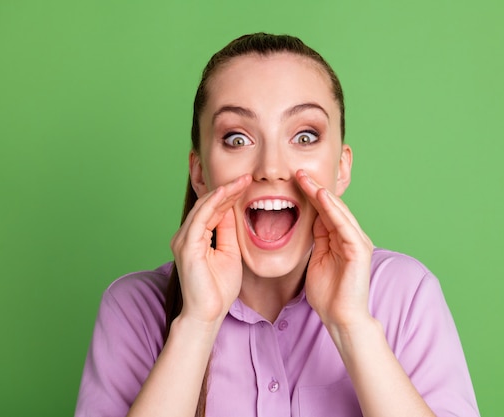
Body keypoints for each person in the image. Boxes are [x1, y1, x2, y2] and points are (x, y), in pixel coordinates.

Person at [75, 33, 480, 417]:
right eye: (237, 138)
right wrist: (197, 323)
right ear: (199, 174)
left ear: (341, 168)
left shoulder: (404, 294)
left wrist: (351, 326)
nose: (271, 168)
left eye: (304, 136)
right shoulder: (133, 309)